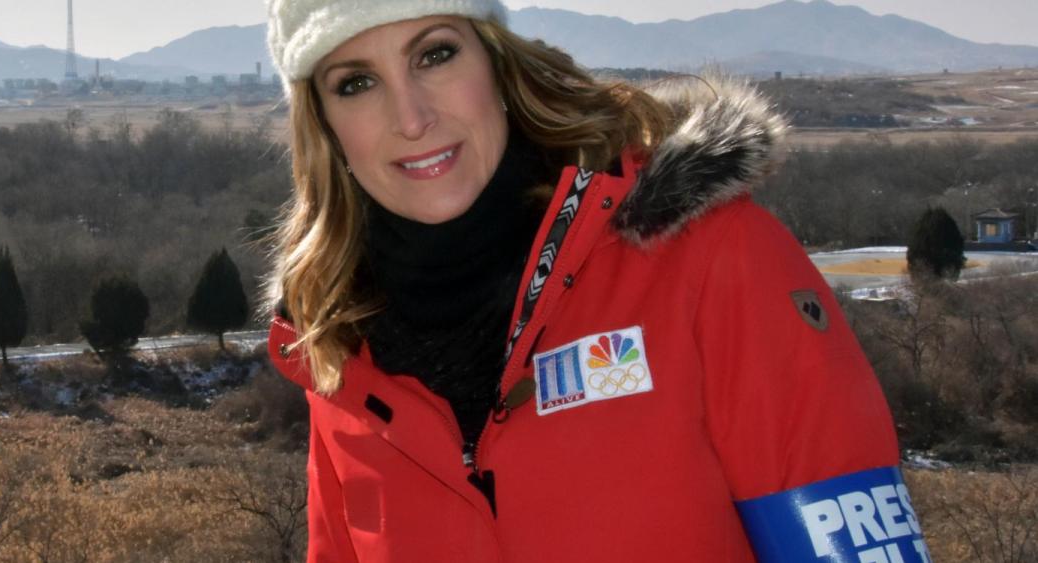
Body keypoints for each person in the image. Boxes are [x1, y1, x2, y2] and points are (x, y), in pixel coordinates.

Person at [261, 0, 930, 561]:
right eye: (355, 83)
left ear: (495, 61)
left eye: (435, 54)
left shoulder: (706, 255)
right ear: (324, 125)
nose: (410, 117)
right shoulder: (337, 352)